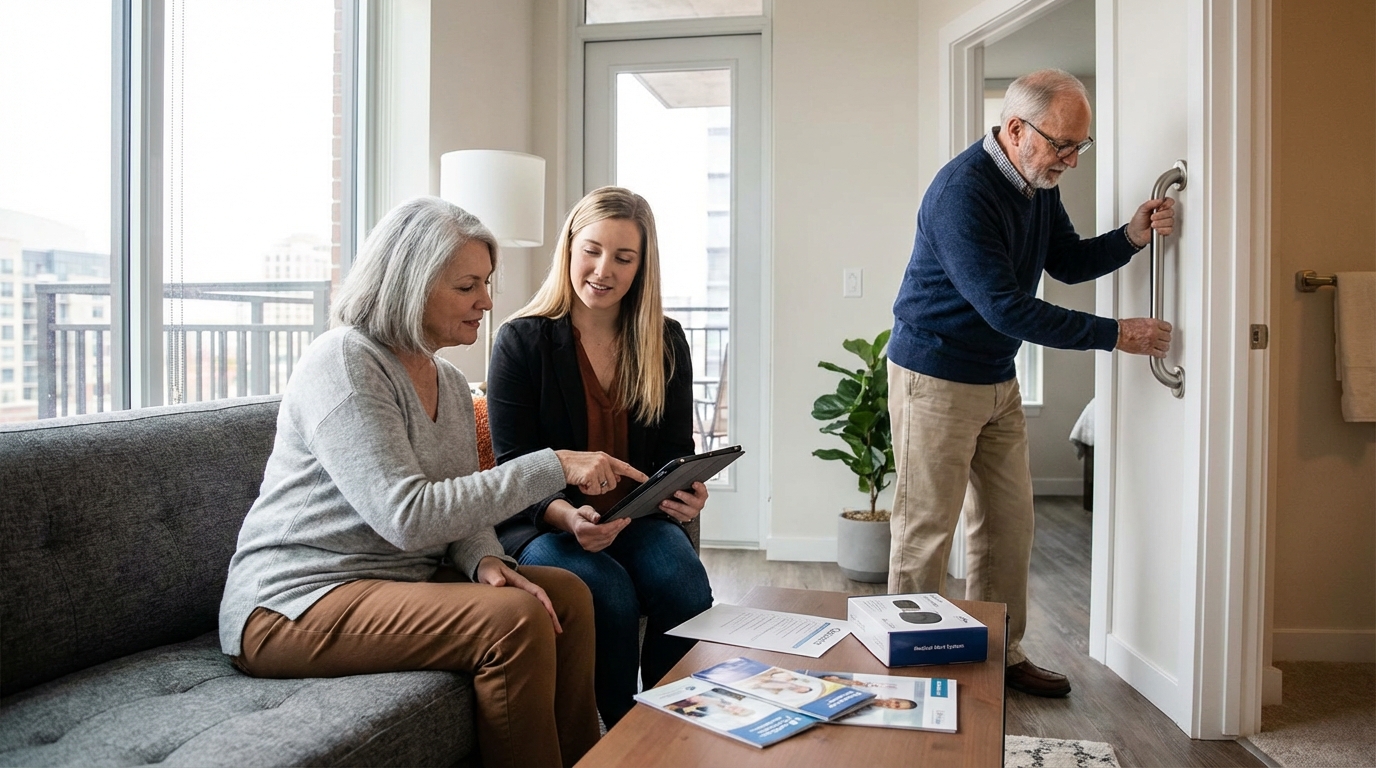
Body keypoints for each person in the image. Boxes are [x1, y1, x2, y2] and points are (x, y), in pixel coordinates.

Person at [218, 196, 645, 768]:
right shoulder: (344, 362)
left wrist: (485, 561)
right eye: (468, 286)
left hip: (392, 577)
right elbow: (409, 515)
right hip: (294, 601)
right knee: (513, 622)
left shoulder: (445, 377)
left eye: (486, 283)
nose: (487, 302)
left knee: (567, 595)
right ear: (410, 284)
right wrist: (555, 464)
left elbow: (458, 504)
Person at [886, 69, 1176, 698]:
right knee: (925, 530)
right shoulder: (962, 192)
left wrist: (1131, 236)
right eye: (1063, 145)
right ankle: (910, 667)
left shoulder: (1035, 181)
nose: (1071, 161)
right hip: (933, 376)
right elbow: (1006, 307)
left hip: (996, 376)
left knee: (1008, 526)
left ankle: (1000, 651)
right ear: (1016, 129)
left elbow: (1065, 261)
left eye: (1080, 147)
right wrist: (1115, 333)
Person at [487, 186, 715, 727]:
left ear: (642, 266)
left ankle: (675, 723)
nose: (602, 269)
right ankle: (619, 734)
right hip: (546, 525)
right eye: (591, 249)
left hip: (635, 518)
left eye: (623, 257)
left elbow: (673, 453)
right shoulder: (520, 341)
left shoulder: (665, 341)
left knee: (682, 578)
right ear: (569, 248)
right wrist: (569, 515)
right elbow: (512, 467)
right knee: (606, 592)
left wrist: (688, 491)